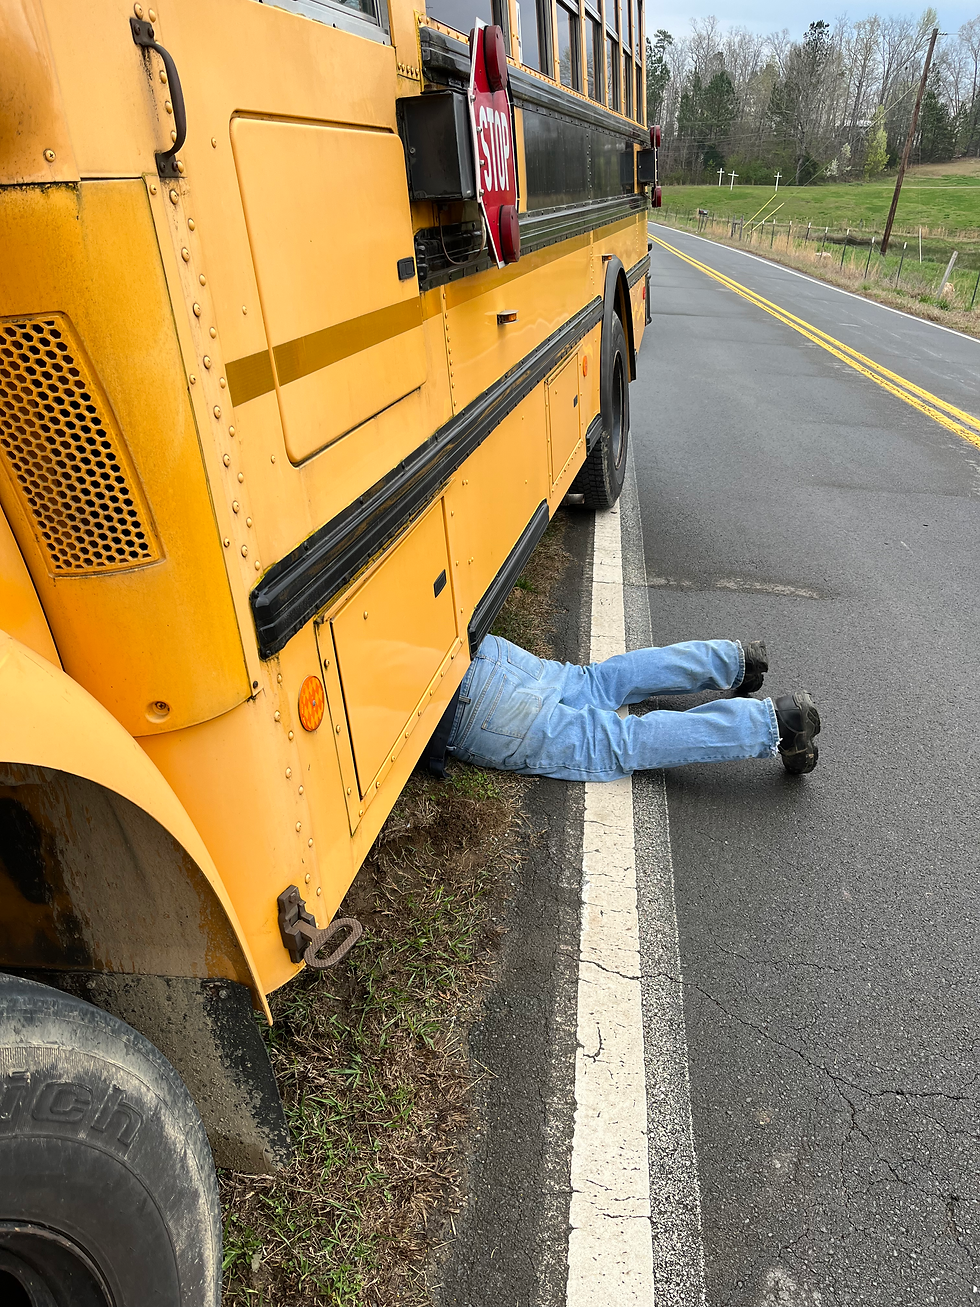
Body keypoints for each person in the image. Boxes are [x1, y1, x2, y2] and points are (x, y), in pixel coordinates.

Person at [425, 635, 820, 782]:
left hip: (458, 707)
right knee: (597, 680)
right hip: (477, 653)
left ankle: (778, 723)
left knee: (615, 742)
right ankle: (735, 660)